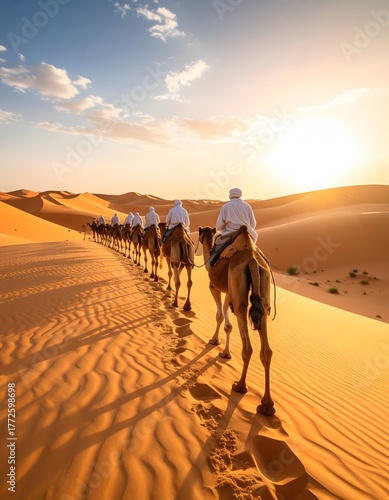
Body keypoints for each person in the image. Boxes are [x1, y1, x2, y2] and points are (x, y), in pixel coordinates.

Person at [210, 188, 257, 265]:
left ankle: (213, 260)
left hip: (230, 235)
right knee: (256, 252)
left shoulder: (226, 207)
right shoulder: (247, 206)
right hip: (247, 234)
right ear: (240, 195)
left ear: (230, 195)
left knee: (217, 244)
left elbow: (219, 226)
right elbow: (253, 224)